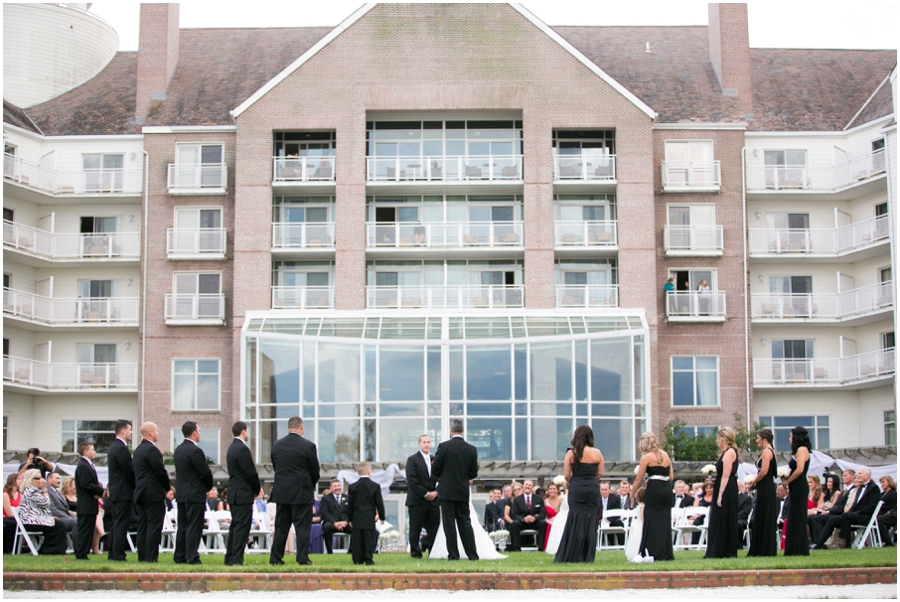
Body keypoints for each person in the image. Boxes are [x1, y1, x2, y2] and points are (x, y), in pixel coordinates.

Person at [269, 416, 320, 566]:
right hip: (301, 493)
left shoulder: (277, 445)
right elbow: (315, 471)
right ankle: (302, 558)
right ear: (301, 427)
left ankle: (275, 558)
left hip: (282, 493)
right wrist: (308, 485)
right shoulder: (308, 446)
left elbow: (276, 467)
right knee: (303, 527)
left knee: (281, 527)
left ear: (287, 427)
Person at [555, 424, 604, 563]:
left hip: (577, 487)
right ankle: (587, 556)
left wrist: (576, 481)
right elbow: (600, 473)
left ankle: (573, 553)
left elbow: (566, 475)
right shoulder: (597, 453)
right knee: (590, 520)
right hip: (592, 488)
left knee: (575, 518)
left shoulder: (571, 453)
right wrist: (591, 481)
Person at [432, 418, 479, 561]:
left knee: (449, 523)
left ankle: (453, 555)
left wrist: (443, 476)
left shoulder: (443, 447)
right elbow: (473, 474)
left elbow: (435, 469)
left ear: (451, 430)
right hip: (462, 491)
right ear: (462, 430)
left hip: (446, 491)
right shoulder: (472, 449)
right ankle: (472, 555)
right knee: (465, 522)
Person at [173, 421, 214, 565]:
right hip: (195, 494)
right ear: (194, 432)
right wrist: (208, 487)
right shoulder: (195, 451)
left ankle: (180, 555)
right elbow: (205, 472)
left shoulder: (178, 450)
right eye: (199, 430)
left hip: (182, 494)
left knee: (183, 526)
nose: (200, 433)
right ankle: (192, 556)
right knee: (194, 526)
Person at [811, 466, 880, 550]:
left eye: (860, 474)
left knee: (845, 516)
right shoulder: (859, 488)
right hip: (853, 515)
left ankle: (846, 544)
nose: (858, 475)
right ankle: (819, 545)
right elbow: (855, 504)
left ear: (867, 475)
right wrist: (851, 512)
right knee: (832, 519)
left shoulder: (874, 488)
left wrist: (854, 513)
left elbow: (871, 507)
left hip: (864, 516)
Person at [631, 431, 674, 561]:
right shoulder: (665, 455)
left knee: (651, 520)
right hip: (666, 490)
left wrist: (632, 494)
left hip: (654, 491)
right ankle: (665, 552)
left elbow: (638, 480)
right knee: (664, 521)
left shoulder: (646, 458)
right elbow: (671, 477)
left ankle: (651, 550)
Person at [225, 420, 261, 566]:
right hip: (242, 494)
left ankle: (230, 558)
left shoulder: (231, 448)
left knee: (235, 526)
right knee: (242, 527)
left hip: (234, 492)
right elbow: (250, 472)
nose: (248, 433)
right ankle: (236, 559)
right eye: (247, 430)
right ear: (243, 431)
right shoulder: (242, 449)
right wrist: (257, 489)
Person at [132, 422, 170, 563]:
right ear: (151, 432)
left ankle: (142, 556)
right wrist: (167, 487)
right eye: (157, 431)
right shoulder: (152, 451)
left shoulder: (138, 451)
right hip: (153, 493)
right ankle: (151, 557)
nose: (158, 433)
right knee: (154, 526)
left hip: (141, 492)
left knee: (143, 526)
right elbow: (160, 471)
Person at [704, 426, 739, 559]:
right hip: (721, 485)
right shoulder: (725, 453)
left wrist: (720, 495)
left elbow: (726, 475)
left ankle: (725, 549)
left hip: (727, 488)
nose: (717, 441)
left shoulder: (730, 452)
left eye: (718, 438)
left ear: (723, 439)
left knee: (725, 516)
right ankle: (717, 547)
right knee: (719, 517)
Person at [405, 433, 440, 559]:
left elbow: (442, 478)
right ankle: (415, 553)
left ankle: (433, 552)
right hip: (417, 500)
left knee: (434, 528)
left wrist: (436, 492)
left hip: (433, 501)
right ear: (419, 444)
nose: (426, 444)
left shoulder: (435, 460)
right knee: (415, 528)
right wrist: (425, 494)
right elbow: (412, 480)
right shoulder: (412, 460)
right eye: (424, 442)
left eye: (428, 442)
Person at [16, 469, 69, 554]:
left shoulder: (34, 491)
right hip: (30, 522)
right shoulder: (31, 491)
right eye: (39, 478)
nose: (41, 480)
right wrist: (45, 490)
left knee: (57, 524)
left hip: (35, 519)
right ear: (32, 480)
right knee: (59, 526)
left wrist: (49, 517)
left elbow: (39, 509)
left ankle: (50, 549)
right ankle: (51, 550)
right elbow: (46, 504)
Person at [106, 419, 134, 562]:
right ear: (123, 431)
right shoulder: (121, 449)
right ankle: (118, 554)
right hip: (123, 493)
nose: (131, 432)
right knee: (121, 524)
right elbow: (128, 471)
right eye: (129, 429)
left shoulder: (113, 448)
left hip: (116, 492)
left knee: (116, 524)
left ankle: (113, 553)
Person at [347, 461, 385, 565]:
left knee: (357, 539)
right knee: (368, 539)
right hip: (369, 516)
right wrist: (382, 517)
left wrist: (349, 518)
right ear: (369, 472)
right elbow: (379, 503)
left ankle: (357, 559)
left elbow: (350, 504)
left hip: (357, 516)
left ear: (358, 472)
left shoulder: (353, 487)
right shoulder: (375, 486)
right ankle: (368, 558)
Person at [747, 428, 778, 556]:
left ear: (764, 439)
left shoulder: (766, 452)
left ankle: (763, 548)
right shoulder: (771, 451)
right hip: (766, 487)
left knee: (763, 515)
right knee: (763, 515)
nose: (757, 440)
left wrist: (753, 483)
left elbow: (764, 471)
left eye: (758, 438)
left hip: (765, 487)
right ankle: (763, 547)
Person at [781, 425, 811, 555]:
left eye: (790, 436)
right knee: (793, 517)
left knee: (798, 517)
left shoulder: (802, 449)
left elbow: (799, 469)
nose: (789, 439)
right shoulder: (797, 451)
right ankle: (793, 548)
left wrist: (788, 481)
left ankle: (800, 548)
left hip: (799, 486)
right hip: (795, 486)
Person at [807, 469, 855, 546]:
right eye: (827, 482)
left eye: (845, 475)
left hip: (839, 514)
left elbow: (837, 506)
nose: (843, 477)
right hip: (832, 511)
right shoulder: (830, 494)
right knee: (810, 518)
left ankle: (819, 542)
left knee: (815, 518)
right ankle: (816, 541)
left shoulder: (838, 492)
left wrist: (828, 510)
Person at [74, 441, 105, 559]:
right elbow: (86, 484)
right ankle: (81, 553)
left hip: (90, 503)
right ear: (85, 452)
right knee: (85, 528)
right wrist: (101, 491)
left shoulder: (88, 465)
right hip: (85, 503)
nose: (94, 452)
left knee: (89, 528)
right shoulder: (82, 465)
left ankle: (85, 551)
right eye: (92, 449)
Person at [508, 479, 547, 551]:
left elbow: (543, 513)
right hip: (522, 522)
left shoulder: (539, 498)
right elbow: (514, 515)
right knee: (514, 523)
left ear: (532, 487)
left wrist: (535, 518)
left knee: (543, 523)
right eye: (526, 485)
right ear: (523, 486)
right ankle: (516, 547)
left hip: (534, 521)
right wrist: (523, 519)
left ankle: (541, 547)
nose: (527, 486)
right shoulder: (517, 499)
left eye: (530, 485)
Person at [321, 479, 350, 554]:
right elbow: (325, 513)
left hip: (345, 523)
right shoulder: (325, 499)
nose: (337, 488)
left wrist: (346, 522)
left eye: (338, 485)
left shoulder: (348, 498)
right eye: (335, 486)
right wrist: (334, 523)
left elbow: (351, 512)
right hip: (331, 523)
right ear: (331, 488)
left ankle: (351, 551)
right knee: (326, 527)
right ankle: (330, 551)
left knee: (356, 527)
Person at [597, 481, 624, 545]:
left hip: (611, 521)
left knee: (619, 523)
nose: (604, 492)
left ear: (609, 489)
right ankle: (598, 545)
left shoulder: (615, 499)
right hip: (599, 521)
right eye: (602, 489)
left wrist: (608, 520)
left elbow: (617, 513)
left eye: (606, 490)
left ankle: (622, 544)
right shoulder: (596, 499)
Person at [3, 473, 24, 554]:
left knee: (17, 523)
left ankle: (15, 547)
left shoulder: (20, 495)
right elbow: (8, 513)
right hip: (5, 517)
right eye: (18, 479)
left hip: (15, 517)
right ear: (13, 481)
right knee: (14, 523)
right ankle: (9, 548)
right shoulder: (5, 495)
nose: (21, 481)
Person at [876, 476, 896, 546]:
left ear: (889, 482)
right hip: (882, 514)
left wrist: (884, 508)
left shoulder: (893, 493)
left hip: (891, 514)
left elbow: (894, 505)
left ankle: (887, 542)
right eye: (881, 483)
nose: (882, 484)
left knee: (879, 520)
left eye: (883, 482)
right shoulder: (882, 494)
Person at [543, 483, 562, 550]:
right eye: (550, 489)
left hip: (560, 521)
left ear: (557, 490)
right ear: (548, 491)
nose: (552, 490)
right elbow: (543, 514)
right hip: (549, 521)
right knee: (548, 525)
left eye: (554, 489)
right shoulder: (545, 502)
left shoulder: (561, 499)